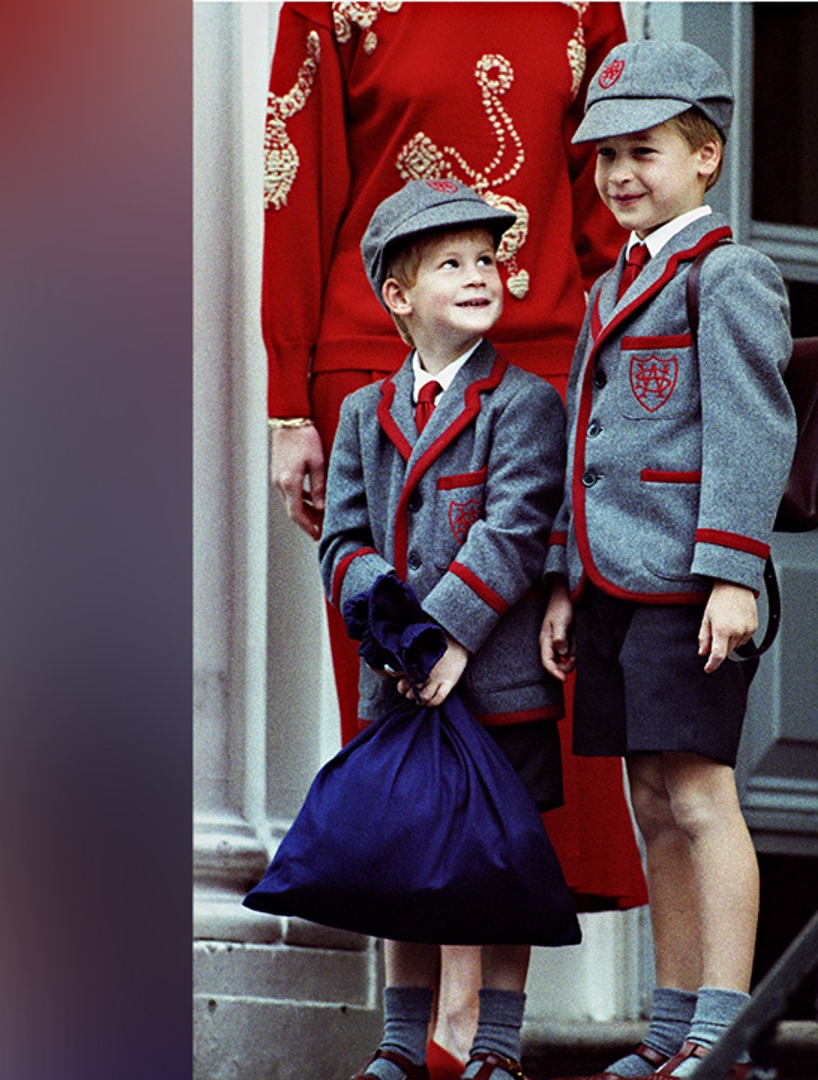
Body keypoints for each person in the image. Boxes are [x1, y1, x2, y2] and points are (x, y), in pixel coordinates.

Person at [260, 4, 648, 1066]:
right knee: (403, 727)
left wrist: (628, 375)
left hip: (551, 362)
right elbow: (295, 184)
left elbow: (609, 197)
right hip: (374, 358)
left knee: (521, 717)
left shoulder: (585, 6)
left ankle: (477, 1030)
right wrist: (289, 401)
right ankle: (423, 1030)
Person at [539, 41, 796, 1080]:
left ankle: (720, 1031)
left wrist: (733, 572)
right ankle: (670, 1028)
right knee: (650, 802)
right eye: (605, 156)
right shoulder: (612, 286)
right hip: (611, 584)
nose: (618, 175)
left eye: (642, 151)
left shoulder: (728, 275)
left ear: (706, 157)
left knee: (699, 796)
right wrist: (563, 579)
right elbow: (583, 440)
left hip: (690, 586)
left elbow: (752, 427)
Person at [320, 180, 570, 1080]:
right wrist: (394, 631)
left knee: (503, 860)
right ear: (398, 295)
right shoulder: (363, 413)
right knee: (404, 857)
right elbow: (342, 538)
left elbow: (515, 528)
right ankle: (400, 1042)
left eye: (488, 259)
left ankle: (496, 1047)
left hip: (497, 677)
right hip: (400, 679)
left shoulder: (526, 403)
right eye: (452, 264)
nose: (479, 275)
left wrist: (448, 635)